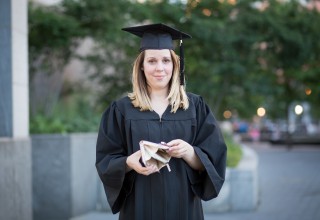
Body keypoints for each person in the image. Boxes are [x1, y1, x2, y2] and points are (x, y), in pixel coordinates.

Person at [96, 23, 227, 220]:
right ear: (141, 65)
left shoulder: (195, 106)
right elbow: (106, 160)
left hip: (184, 207)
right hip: (138, 208)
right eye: (152, 61)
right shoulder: (121, 110)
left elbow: (214, 159)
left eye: (166, 60)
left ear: (175, 65)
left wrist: (189, 152)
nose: (160, 68)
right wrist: (128, 162)